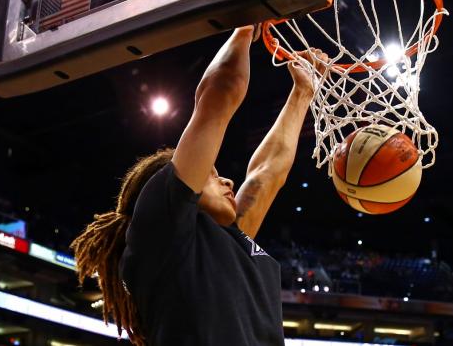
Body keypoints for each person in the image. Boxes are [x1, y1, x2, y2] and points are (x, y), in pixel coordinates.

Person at [71, 25, 325, 345]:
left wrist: (302, 93)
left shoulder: (225, 239)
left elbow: (266, 173)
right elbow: (218, 98)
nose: (227, 180)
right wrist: (246, 26)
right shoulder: (160, 232)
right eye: (212, 174)